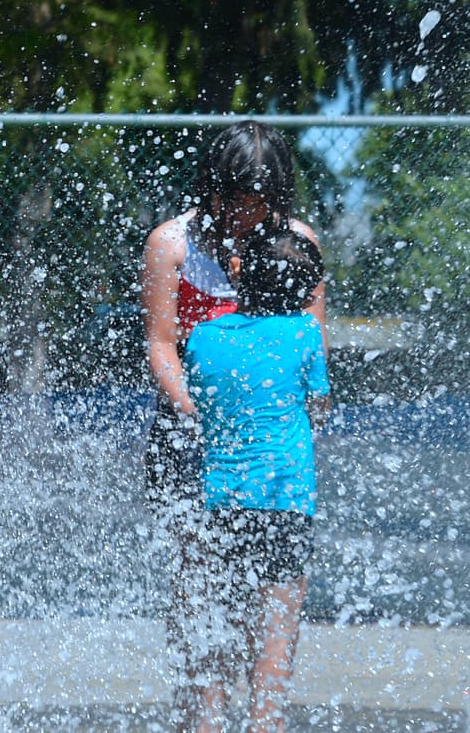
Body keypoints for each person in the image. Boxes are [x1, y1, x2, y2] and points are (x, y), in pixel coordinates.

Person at [139, 120, 327, 731]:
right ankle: (204, 720)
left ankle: (263, 719)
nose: (250, 214)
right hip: (188, 437)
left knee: (265, 598)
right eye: (238, 199)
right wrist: (195, 411)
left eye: (262, 200)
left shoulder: (298, 245)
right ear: (211, 189)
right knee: (199, 587)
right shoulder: (173, 244)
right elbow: (162, 346)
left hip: (265, 453)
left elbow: (311, 349)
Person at [183, 227, 331, 732]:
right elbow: (319, 406)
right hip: (287, 501)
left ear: (239, 272)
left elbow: (201, 400)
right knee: (277, 631)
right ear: (306, 291)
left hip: (223, 501)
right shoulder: (306, 335)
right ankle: (265, 724)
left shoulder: (204, 337)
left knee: (217, 625)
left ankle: (208, 723)